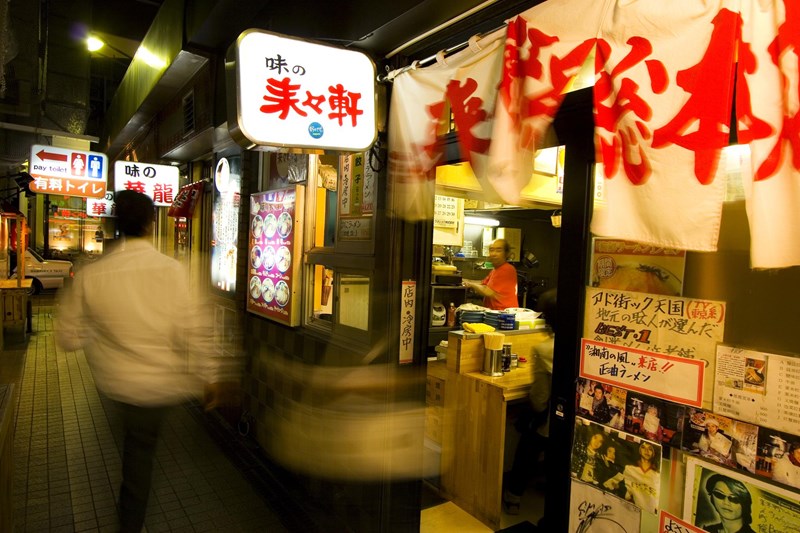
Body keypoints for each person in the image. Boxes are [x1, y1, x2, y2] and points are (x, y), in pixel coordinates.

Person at [55, 190, 236, 533]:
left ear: (115, 223)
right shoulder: (174, 271)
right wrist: (211, 375)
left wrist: (101, 332)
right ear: (151, 224)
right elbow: (195, 328)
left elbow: (67, 338)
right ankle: (130, 519)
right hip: (159, 387)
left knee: (135, 453)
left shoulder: (93, 274)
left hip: (115, 385)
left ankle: (130, 514)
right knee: (140, 457)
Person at [503, 289, 556, 514]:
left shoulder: (544, 349)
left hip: (550, 422)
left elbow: (539, 399)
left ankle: (513, 496)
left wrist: (532, 411)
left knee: (528, 443)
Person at [462, 238, 518, 310]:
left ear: (506, 254)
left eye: (498, 250)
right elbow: (482, 283)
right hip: (496, 312)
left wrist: (470, 284)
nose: (494, 254)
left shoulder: (506, 269)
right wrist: (464, 280)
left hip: (505, 313)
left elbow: (488, 291)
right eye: (491, 250)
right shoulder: (496, 270)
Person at [621, 441, 660, 513]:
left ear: (653, 453)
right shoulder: (629, 469)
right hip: (630, 510)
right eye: (643, 448)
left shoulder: (656, 475)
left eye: (650, 449)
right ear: (639, 451)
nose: (646, 451)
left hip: (649, 513)